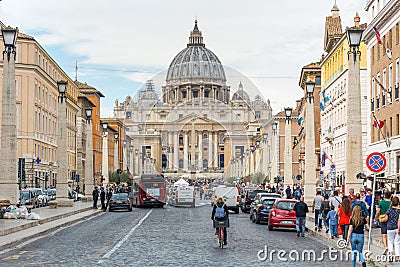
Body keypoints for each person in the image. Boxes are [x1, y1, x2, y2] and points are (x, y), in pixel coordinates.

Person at [375, 190, 392, 255]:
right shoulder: (391, 203)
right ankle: (390, 248)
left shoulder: (381, 202)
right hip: (390, 220)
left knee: (384, 235)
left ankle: (385, 246)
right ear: (390, 196)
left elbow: (378, 211)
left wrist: (376, 217)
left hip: (383, 220)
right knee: (390, 235)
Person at [385, 196, 400, 260]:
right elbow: (399, 220)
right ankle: (398, 256)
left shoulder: (389, 210)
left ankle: (391, 255)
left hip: (390, 227)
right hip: (397, 228)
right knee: (397, 242)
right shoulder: (399, 211)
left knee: (390, 241)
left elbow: (386, 219)